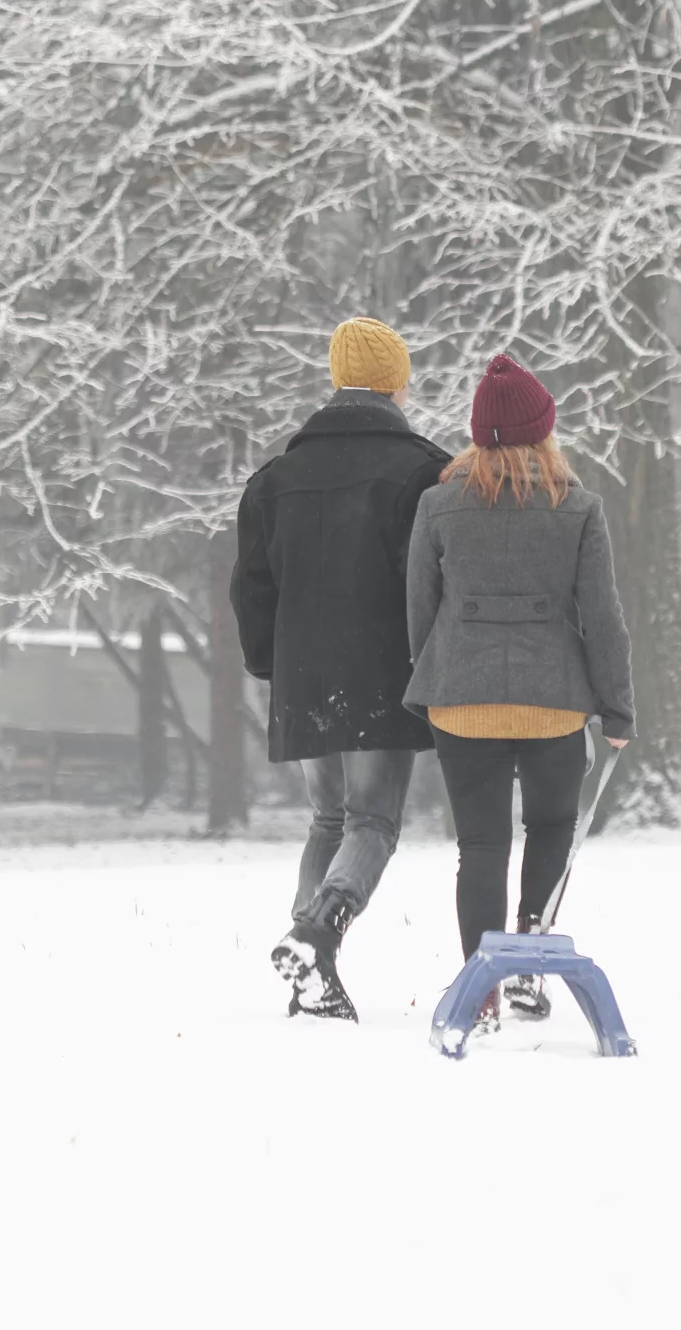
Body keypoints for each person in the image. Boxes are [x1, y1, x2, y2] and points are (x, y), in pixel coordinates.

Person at [403, 354, 633, 1028]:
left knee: (479, 843)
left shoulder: (437, 502)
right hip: (553, 700)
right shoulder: (578, 505)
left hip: (462, 697)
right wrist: (617, 706)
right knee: (551, 824)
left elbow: (420, 604)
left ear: (478, 431)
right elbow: (603, 614)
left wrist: (436, 670)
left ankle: (481, 986)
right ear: (543, 430)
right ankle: (530, 951)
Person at [232, 316, 450, 1021]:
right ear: (396, 382)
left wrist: (270, 664)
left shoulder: (275, 478)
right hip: (382, 673)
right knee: (373, 821)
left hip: (302, 679)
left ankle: (307, 964)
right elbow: (431, 580)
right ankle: (316, 930)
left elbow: (251, 586)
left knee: (328, 816)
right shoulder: (421, 471)